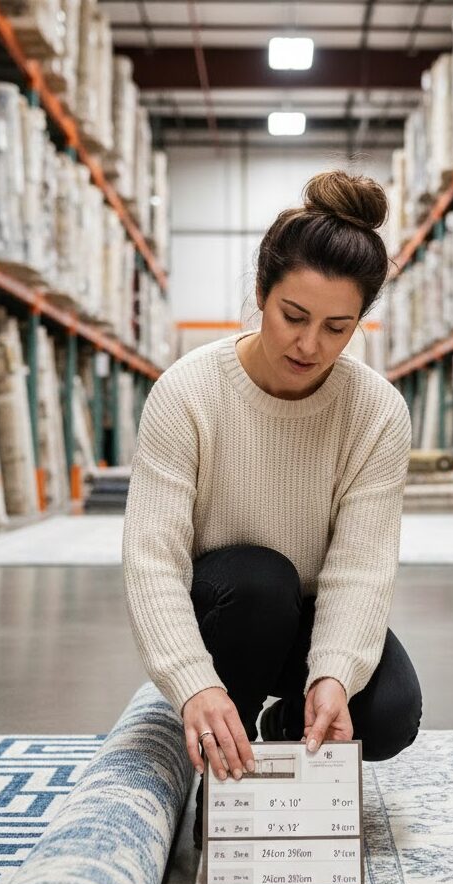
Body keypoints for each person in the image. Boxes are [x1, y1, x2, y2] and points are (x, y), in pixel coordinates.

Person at [122, 170, 422, 847]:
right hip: (227, 609)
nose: (309, 346)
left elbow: (361, 567)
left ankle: (282, 736)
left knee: (392, 712)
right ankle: (222, 733)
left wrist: (334, 679)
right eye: (293, 316)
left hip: (306, 616)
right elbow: (151, 562)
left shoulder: (374, 411)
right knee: (261, 581)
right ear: (260, 293)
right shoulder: (188, 393)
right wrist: (193, 682)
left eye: (337, 327)